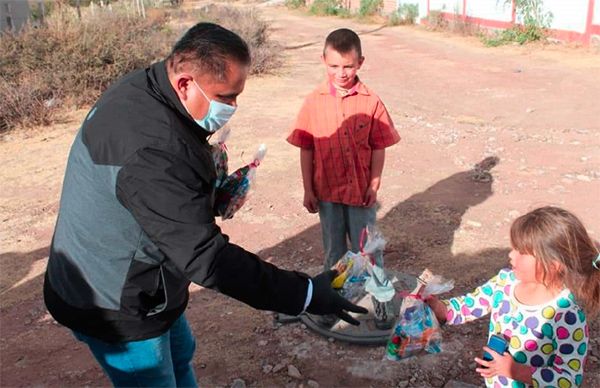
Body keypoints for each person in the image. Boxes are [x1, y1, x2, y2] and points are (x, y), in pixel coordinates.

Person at [43, 22, 367, 387]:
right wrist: (305, 294)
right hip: (114, 300)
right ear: (185, 83)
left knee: (181, 356)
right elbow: (205, 257)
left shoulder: (151, 87)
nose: (233, 107)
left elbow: (168, 184)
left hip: (148, 278)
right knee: (155, 376)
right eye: (227, 97)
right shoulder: (149, 148)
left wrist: (207, 187)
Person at [286, 28, 400, 328]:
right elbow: (306, 148)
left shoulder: (371, 102)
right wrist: (308, 189)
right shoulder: (314, 102)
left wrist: (374, 184)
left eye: (348, 66)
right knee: (335, 253)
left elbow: (378, 146)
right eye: (334, 66)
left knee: (369, 251)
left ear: (360, 62)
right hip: (326, 193)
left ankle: (383, 306)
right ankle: (327, 305)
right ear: (323, 60)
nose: (341, 73)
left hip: (361, 194)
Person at [426, 206, 600, 387]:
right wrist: (441, 309)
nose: (511, 255)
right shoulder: (505, 282)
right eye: (513, 248)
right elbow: (471, 304)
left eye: (521, 251)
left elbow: (569, 378)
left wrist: (515, 371)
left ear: (554, 265)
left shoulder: (566, 315)